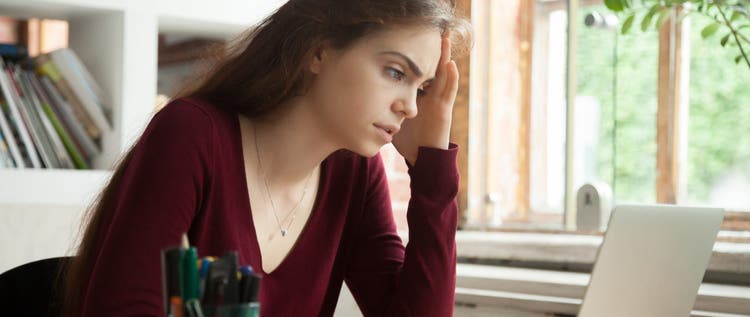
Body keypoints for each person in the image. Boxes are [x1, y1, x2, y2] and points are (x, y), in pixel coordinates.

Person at [62, 0, 472, 316]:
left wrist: (432, 166)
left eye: (421, 88)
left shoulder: (356, 176)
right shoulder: (192, 135)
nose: (410, 107)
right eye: (397, 73)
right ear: (318, 51)